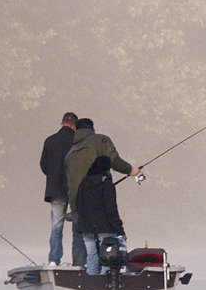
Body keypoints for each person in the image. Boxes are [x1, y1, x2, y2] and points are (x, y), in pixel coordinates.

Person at [60, 115, 138, 204]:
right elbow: (114, 160)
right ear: (93, 130)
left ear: (75, 130)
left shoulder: (70, 151)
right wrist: (130, 170)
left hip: (76, 202)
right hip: (97, 199)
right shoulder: (101, 140)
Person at [72, 154, 127, 275]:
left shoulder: (83, 183)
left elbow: (78, 205)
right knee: (108, 259)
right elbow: (111, 209)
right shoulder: (107, 184)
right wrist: (120, 231)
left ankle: (92, 286)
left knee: (91, 258)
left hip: (86, 228)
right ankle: (105, 286)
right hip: (105, 228)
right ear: (107, 169)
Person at [39, 111, 78, 265]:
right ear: (74, 126)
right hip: (75, 189)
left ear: (61, 124)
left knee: (56, 226)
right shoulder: (77, 141)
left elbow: (43, 165)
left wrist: (53, 176)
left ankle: (54, 259)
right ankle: (79, 261)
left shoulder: (49, 141)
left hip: (55, 188)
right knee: (78, 227)